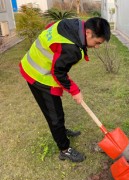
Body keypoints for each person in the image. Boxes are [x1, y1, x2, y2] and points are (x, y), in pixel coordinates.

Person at [19, 17, 111, 162]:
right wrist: (75, 91)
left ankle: (61, 132)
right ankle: (64, 149)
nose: (97, 46)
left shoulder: (73, 23)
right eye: (97, 42)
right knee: (55, 116)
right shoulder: (71, 48)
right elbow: (58, 72)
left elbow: (49, 27)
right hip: (38, 75)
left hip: (42, 68)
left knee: (57, 112)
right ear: (87, 32)